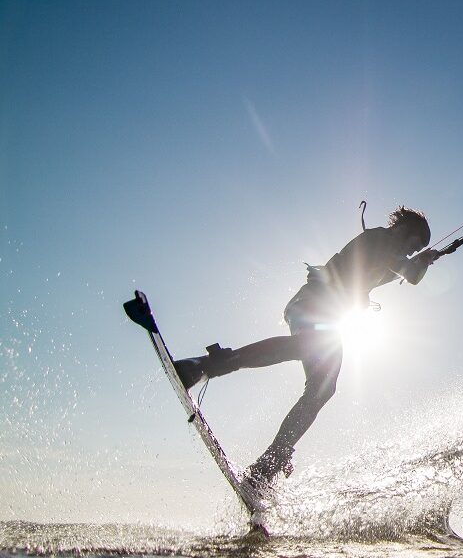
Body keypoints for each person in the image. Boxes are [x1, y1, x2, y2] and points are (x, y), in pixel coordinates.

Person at [172, 206, 440, 487]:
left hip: (328, 317)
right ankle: (204, 366)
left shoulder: (390, 254)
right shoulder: (382, 239)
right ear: (403, 230)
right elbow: (409, 273)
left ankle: (268, 465)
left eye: (417, 248)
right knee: (308, 346)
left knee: (322, 389)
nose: (412, 251)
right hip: (311, 304)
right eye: (415, 244)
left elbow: (401, 271)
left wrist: (422, 261)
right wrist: (420, 263)